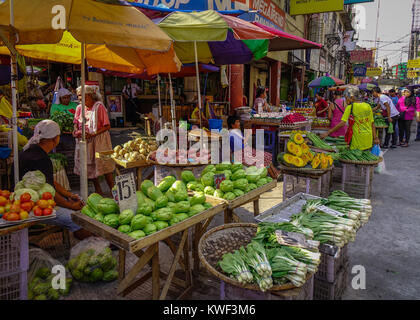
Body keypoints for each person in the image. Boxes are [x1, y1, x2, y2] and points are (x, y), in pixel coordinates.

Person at [17, 120, 90, 239]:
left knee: (73, 205)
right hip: (33, 206)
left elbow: (49, 183)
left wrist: (68, 194)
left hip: (29, 199)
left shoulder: (30, 150)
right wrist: (70, 206)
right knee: (77, 220)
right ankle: (92, 245)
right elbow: (49, 193)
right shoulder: (41, 159)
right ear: (55, 138)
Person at [73, 85, 115, 196]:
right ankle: (98, 191)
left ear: (91, 96)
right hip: (85, 141)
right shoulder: (79, 108)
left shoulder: (99, 107)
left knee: (105, 166)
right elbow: (76, 124)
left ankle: (114, 191)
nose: (80, 99)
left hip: (100, 141)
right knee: (89, 167)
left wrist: (92, 134)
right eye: (79, 97)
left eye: (83, 97)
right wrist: (76, 131)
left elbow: (107, 126)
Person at [321, 86, 380, 150]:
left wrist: (328, 132)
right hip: (368, 138)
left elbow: (342, 123)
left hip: (357, 140)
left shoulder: (350, 107)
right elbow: (372, 123)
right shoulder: (367, 106)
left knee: (357, 158)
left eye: (346, 97)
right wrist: (375, 138)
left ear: (351, 97)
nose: (346, 100)